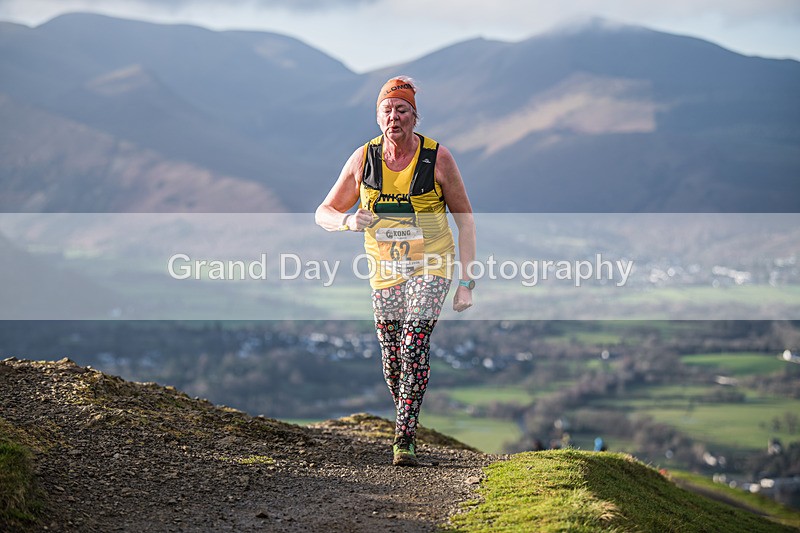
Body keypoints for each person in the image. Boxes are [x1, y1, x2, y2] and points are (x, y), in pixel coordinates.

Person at [316, 76, 476, 466]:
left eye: (402, 110)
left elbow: (466, 221)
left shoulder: (437, 158)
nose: (394, 117)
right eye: (386, 110)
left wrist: (466, 283)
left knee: (413, 342)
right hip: (385, 270)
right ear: (377, 117)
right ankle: (408, 413)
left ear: (414, 117)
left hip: (432, 264)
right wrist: (347, 221)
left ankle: (404, 438)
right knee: (392, 360)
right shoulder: (363, 159)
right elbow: (324, 211)